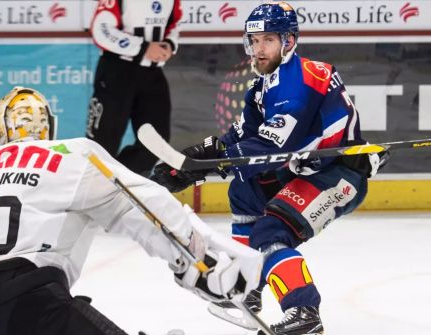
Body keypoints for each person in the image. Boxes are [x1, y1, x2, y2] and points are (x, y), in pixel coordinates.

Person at [0, 86, 263, 335]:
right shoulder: (70, 154)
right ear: (46, 127)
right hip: (34, 308)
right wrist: (195, 259)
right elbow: (140, 202)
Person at [150, 2, 387, 335]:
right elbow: (241, 135)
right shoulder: (262, 85)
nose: (259, 49)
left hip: (337, 175)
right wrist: (192, 160)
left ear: (288, 42)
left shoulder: (301, 79)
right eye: (254, 40)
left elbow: (274, 147)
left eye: (268, 40)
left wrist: (203, 169)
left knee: (270, 232)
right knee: (244, 190)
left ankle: (304, 312)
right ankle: (249, 287)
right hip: (305, 170)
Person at [86, 0, 182, 176]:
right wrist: (143, 47)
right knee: (102, 143)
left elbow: (174, 24)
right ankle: (89, 191)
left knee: (156, 143)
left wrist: (169, 44)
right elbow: (101, 30)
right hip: (117, 71)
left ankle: (117, 185)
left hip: (152, 73)